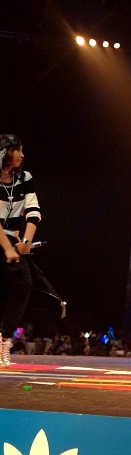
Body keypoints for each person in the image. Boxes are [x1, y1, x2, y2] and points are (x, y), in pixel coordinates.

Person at [0, 133, 41, 366]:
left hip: (13, 238)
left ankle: (5, 338)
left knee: (24, 283)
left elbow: (33, 211)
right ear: (5, 152)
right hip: (2, 240)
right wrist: (7, 248)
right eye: (18, 150)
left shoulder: (25, 178)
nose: (22, 155)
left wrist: (26, 241)